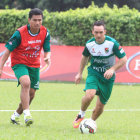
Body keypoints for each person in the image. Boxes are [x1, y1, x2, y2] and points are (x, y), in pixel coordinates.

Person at [0, 8, 51, 126]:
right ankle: (27, 114)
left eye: (40, 20)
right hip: (19, 63)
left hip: (34, 65)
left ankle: (15, 115)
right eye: (34, 20)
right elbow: (7, 51)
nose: (37, 23)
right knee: (26, 83)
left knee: (31, 94)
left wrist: (47, 57)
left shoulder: (45, 32)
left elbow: (47, 49)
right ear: (29, 20)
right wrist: (1, 67)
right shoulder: (20, 33)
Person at [73, 20, 127, 129]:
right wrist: (79, 73)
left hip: (108, 78)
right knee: (89, 95)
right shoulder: (89, 44)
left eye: (101, 32)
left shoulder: (112, 43)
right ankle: (81, 115)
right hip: (94, 73)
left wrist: (112, 69)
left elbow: (124, 59)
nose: (98, 35)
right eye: (96, 32)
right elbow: (84, 57)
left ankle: (90, 123)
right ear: (92, 32)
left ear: (105, 32)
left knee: (100, 106)